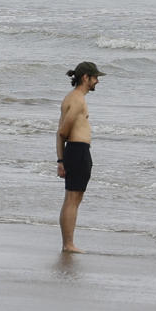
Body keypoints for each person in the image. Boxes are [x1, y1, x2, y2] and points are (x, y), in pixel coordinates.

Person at [57, 61, 101, 253]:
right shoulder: (77, 100)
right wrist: (63, 158)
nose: (97, 81)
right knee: (73, 200)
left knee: (71, 199)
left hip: (74, 151)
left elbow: (58, 133)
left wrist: (60, 160)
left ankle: (68, 243)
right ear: (86, 78)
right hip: (77, 150)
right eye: (95, 78)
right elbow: (62, 131)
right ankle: (68, 244)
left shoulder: (71, 98)